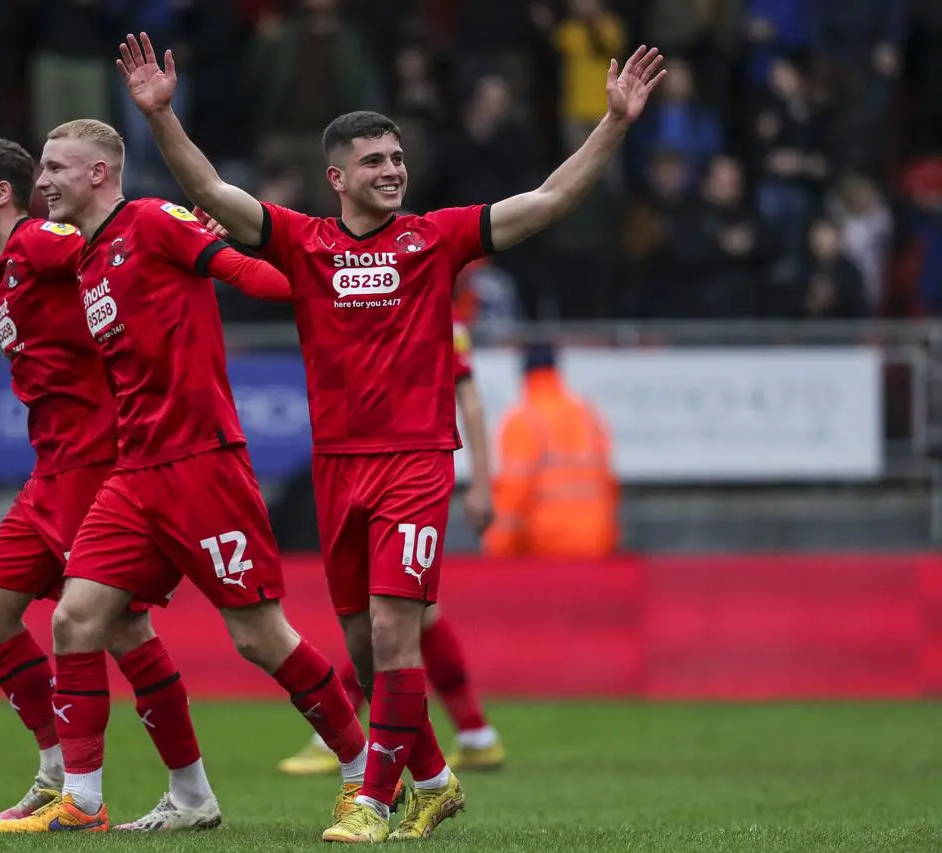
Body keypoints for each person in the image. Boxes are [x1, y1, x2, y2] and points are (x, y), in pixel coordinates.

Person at [116, 31, 664, 841]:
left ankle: (371, 801)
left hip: (415, 460)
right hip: (339, 467)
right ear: (336, 176)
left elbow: (547, 202)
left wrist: (613, 125)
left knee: (391, 630)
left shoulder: (435, 238)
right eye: (374, 162)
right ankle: (436, 779)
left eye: (397, 158)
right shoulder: (304, 243)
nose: (392, 171)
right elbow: (209, 188)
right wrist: (161, 116)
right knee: (367, 653)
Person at [0, 119, 383, 836]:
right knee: (76, 619)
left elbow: (246, 273)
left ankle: (364, 774)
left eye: (54, 167)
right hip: (134, 470)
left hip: (202, 462)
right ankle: (87, 799)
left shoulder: (152, 220)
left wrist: (333, 289)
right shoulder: (84, 258)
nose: (40, 181)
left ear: (100, 173)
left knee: (261, 637)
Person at [0, 136, 222, 831]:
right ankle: (54, 771)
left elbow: (112, 256)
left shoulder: (41, 241)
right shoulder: (7, 267)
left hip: (94, 462)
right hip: (50, 467)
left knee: (121, 627)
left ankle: (172, 790)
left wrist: (186, 242)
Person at [279, 313, 505, 776]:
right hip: (371, 468)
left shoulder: (436, 315)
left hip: (408, 473)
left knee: (388, 620)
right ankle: (474, 732)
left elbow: (471, 402)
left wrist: (483, 485)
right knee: (405, 618)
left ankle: (340, 737)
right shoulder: (382, 298)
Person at [483, 343, 618, 559]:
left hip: (547, 546)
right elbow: (609, 483)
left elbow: (514, 492)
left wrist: (498, 547)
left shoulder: (523, 419)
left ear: (525, 375)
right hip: (598, 542)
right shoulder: (588, 415)